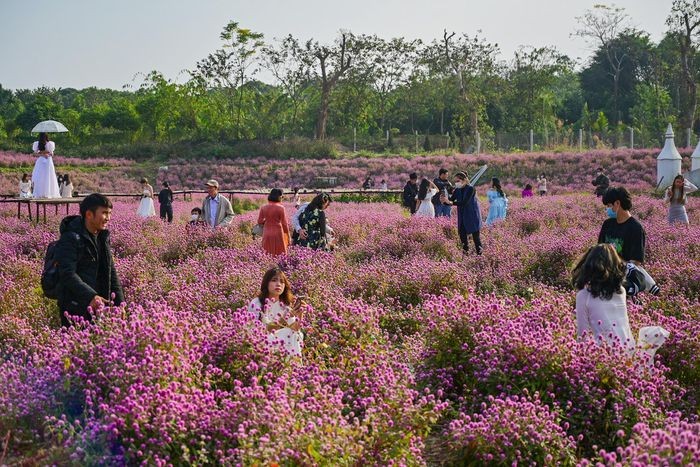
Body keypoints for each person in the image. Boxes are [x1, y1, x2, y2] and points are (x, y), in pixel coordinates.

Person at [53, 194, 124, 327]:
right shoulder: (71, 238)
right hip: (74, 305)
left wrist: (120, 304)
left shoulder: (102, 237)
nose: (108, 218)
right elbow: (67, 274)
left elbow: (111, 271)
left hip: (98, 303)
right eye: (104, 213)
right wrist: (91, 296)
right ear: (89, 214)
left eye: (109, 213)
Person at [571, 244, 634, 351]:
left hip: (604, 354)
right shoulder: (621, 291)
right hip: (629, 350)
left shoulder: (584, 296)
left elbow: (582, 335)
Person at [247, 267, 304, 357]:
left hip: (282, 340)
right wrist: (285, 318)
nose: (278, 284)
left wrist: (299, 314)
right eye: (274, 280)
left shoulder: (285, 305)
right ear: (266, 283)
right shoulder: (257, 303)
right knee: (290, 334)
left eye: (282, 282)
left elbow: (295, 329)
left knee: (295, 334)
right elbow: (260, 331)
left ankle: (292, 367)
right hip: (261, 341)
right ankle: (295, 368)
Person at [597, 187, 645, 265]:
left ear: (617, 203)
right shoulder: (607, 224)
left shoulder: (635, 228)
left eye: (609, 205)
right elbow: (599, 249)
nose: (607, 209)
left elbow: (636, 261)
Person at [446, 172, 483, 255]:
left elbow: (464, 202)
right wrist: (444, 201)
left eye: (458, 181)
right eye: (455, 181)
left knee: (476, 238)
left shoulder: (471, 189)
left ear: (464, 180)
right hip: (462, 216)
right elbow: (451, 200)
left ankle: (480, 256)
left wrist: (450, 202)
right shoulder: (457, 190)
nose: (456, 183)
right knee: (463, 238)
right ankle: (465, 256)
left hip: (472, 216)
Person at [257, 188, 291, 256]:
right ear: (279, 196)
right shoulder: (281, 208)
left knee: (266, 253)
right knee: (279, 254)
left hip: (267, 232)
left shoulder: (263, 207)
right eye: (282, 196)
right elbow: (284, 224)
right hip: (278, 232)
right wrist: (288, 235)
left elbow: (259, 221)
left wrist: (267, 220)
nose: (282, 198)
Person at [31, 132, 61, 198]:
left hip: (41, 160)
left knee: (40, 176)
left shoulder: (37, 143)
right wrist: (46, 154)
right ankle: (48, 192)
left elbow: (34, 154)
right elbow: (52, 154)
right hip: (48, 160)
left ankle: (40, 193)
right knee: (48, 176)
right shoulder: (50, 143)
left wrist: (41, 154)